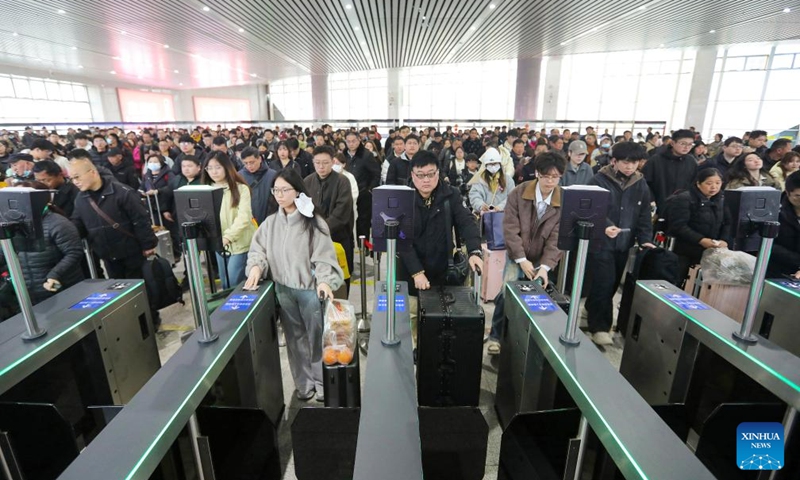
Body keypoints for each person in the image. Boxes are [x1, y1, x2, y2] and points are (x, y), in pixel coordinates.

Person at [244, 169, 344, 402]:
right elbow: (258, 249)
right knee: (294, 338)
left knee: (317, 337)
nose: (279, 195)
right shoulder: (270, 223)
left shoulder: (313, 222)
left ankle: (321, 382)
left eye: (284, 190)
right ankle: (303, 383)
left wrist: (324, 281)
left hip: (309, 290)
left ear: (297, 191)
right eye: (276, 190)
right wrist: (257, 267)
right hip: (283, 290)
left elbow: (323, 256)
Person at [485, 152, 566, 354]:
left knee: (537, 297)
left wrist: (545, 267)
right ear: (537, 173)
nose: (550, 181)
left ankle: (529, 339)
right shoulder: (519, 193)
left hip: (542, 258)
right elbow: (510, 229)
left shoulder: (564, 199)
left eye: (555, 177)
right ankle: (496, 336)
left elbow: (558, 238)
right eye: (546, 176)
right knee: (507, 293)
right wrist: (521, 259)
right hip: (516, 255)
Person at [397, 151, 482, 341]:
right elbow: (401, 239)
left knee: (442, 322)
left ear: (438, 173)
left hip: (443, 270)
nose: (425, 180)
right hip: (411, 273)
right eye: (420, 175)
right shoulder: (403, 198)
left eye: (430, 174)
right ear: (412, 175)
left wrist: (475, 250)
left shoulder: (450, 195)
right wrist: (416, 271)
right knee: (413, 319)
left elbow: (466, 222)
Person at [69, 157, 159, 320]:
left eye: (77, 177)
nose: (75, 182)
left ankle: (149, 320)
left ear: (92, 172)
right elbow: (78, 222)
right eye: (71, 179)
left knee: (139, 289)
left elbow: (140, 219)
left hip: (131, 252)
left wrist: (148, 244)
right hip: (108, 255)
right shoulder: (81, 199)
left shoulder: (121, 191)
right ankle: (129, 322)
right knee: (118, 292)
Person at [584, 143, 655, 346]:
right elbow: (590, 209)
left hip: (624, 243)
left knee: (613, 284)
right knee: (604, 282)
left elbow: (642, 215)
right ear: (614, 161)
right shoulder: (598, 180)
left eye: (634, 163)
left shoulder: (640, 183)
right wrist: (605, 225)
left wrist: (645, 239)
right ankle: (599, 327)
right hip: (600, 242)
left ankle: (590, 308)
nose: (630, 167)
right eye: (625, 162)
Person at [0, 182, 84, 304]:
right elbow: (4, 254)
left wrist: (54, 275)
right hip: (26, 292)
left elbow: (74, 252)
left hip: (57, 288)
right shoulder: (12, 226)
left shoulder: (58, 223)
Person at [666, 168, 731, 285]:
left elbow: (728, 222)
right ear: (698, 183)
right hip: (684, 250)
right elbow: (678, 226)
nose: (714, 187)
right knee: (678, 281)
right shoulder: (685, 198)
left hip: (710, 250)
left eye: (718, 183)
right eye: (709, 183)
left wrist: (724, 240)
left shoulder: (721, 199)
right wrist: (700, 240)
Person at [201, 152, 255, 289]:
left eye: (218, 167)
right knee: (225, 283)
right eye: (209, 168)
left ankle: (238, 310)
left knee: (234, 283)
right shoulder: (205, 190)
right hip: (219, 244)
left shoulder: (241, 189)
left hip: (239, 243)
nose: (213, 172)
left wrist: (227, 237)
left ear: (227, 167)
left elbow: (244, 218)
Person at [304, 146, 354, 294]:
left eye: (325, 162)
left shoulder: (342, 181)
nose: (321, 166)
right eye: (317, 162)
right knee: (317, 276)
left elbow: (341, 213)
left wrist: (321, 229)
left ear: (333, 162)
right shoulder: (307, 181)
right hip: (313, 240)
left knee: (342, 276)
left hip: (338, 237)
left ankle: (341, 310)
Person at [643, 129, 698, 217]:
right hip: (659, 206)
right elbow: (645, 183)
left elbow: (694, 183)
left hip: (683, 207)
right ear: (672, 143)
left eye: (690, 144)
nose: (687, 147)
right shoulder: (656, 160)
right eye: (683, 143)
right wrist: (651, 202)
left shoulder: (691, 161)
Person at [344, 131, 380, 239]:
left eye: (354, 141)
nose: (351, 144)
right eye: (348, 141)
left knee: (363, 221)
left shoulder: (366, 155)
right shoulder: (343, 155)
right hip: (346, 193)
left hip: (363, 193)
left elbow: (376, 174)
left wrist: (369, 189)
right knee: (346, 220)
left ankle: (364, 247)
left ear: (359, 140)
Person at [767, 171, 800, 279]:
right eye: (798, 196)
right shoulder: (773, 211)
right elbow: (768, 244)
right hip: (778, 271)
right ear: (787, 192)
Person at [468, 148, 515, 215]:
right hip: (485, 216)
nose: (493, 166)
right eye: (490, 164)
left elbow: (512, 197)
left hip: (504, 216)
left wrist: (500, 207)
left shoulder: (508, 180)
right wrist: (481, 205)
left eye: (495, 164)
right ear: (485, 165)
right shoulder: (479, 180)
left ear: (499, 164)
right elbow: (474, 196)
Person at [239, 146, 277, 225]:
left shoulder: (272, 175)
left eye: (252, 162)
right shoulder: (239, 176)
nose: (249, 166)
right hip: (246, 222)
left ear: (259, 159)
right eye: (246, 163)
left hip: (268, 220)